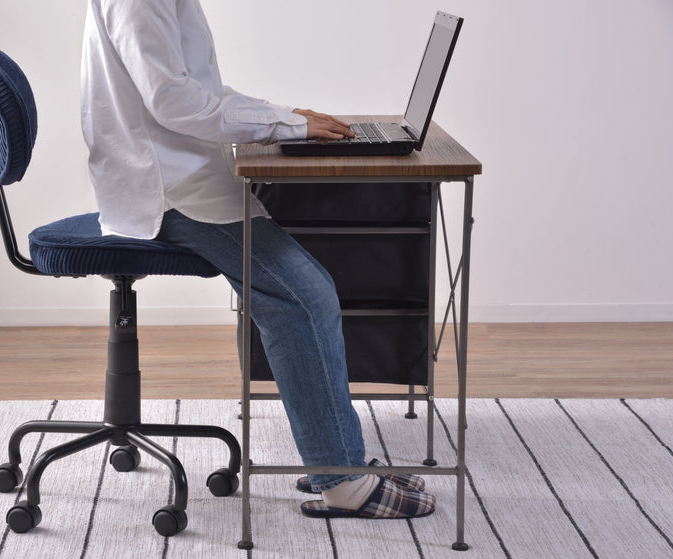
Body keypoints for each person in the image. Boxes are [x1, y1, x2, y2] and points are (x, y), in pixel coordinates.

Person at [80, 0, 435, 519]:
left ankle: (334, 461)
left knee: (297, 292)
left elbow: (196, 88)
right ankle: (342, 481)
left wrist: (287, 118)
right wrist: (282, 125)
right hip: (169, 190)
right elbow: (172, 101)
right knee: (304, 296)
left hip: (180, 175)